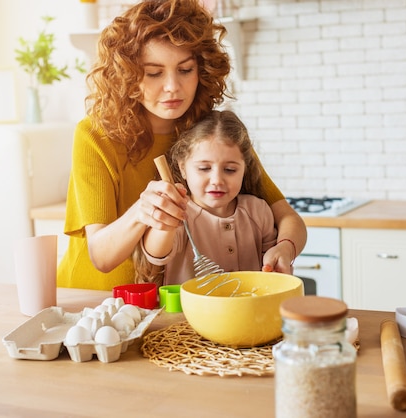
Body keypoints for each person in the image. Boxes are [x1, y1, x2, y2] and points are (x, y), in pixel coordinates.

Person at [57, 0, 307, 290]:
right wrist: (142, 211)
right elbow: (101, 256)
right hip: (92, 298)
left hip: (166, 305)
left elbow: (287, 216)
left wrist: (285, 248)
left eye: (185, 70)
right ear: (127, 75)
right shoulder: (96, 135)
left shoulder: (206, 133)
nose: (173, 86)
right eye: (154, 73)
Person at [139, 110, 279, 285]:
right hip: (189, 312)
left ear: (244, 169)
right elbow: (156, 254)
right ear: (183, 168)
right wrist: (168, 220)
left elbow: (273, 268)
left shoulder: (258, 211)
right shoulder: (179, 212)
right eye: (204, 168)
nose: (217, 180)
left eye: (230, 170)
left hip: (248, 311)